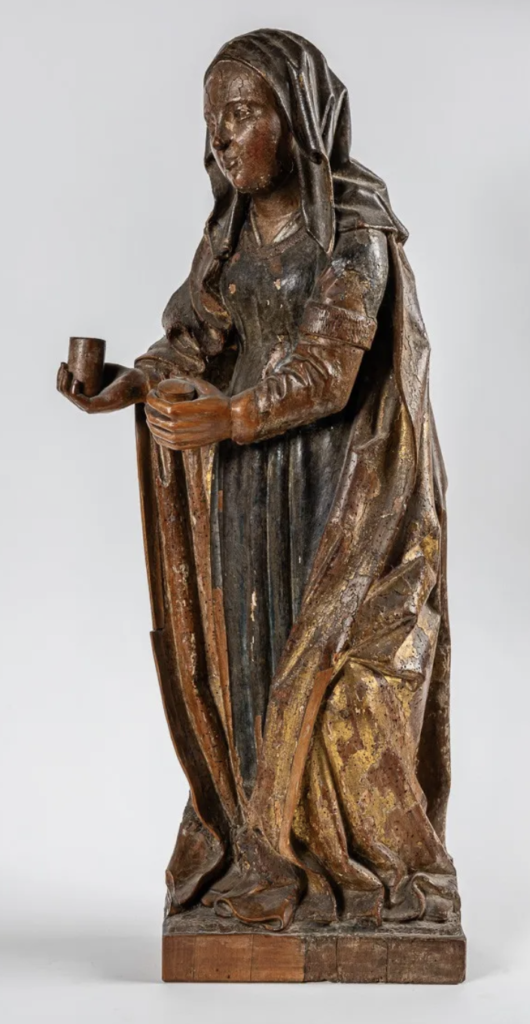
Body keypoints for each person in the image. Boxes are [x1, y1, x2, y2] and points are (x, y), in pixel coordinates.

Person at [58, 29, 459, 932]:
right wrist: (129, 382)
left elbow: (331, 366)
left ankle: (369, 868)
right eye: (214, 118)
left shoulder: (354, 230)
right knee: (251, 667)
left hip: (343, 496)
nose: (222, 135)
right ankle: (265, 856)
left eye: (243, 113)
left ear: (301, 120)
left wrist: (234, 416)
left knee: (338, 681)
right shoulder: (230, 234)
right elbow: (193, 339)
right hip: (247, 492)